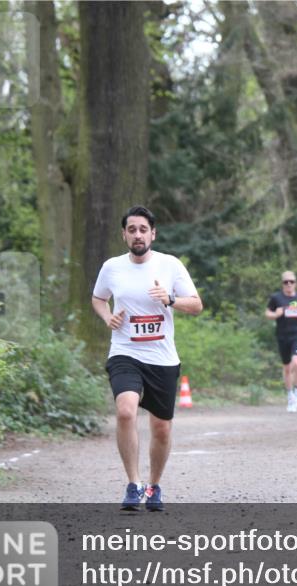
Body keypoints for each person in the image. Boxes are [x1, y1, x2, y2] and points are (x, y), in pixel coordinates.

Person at [92, 205, 203, 511]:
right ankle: (133, 484)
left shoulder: (170, 265)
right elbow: (98, 297)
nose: (138, 235)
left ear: (153, 233)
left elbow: (196, 305)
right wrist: (107, 317)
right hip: (125, 352)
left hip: (162, 358)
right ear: (124, 235)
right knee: (126, 411)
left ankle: (153, 486)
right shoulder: (112, 267)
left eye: (143, 229)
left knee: (161, 428)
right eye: (132, 230)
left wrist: (169, 299)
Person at [266, 271, 297, 412]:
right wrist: (275, 314)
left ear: (296, 283)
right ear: (282, 284)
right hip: (282, 336)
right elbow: (267, 313)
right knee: (287, 367)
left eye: (291, 281)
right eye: (286, 282)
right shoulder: (276, 298)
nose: (289, 284)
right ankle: (290, 397)